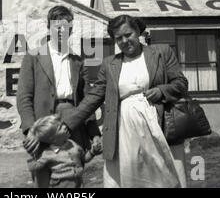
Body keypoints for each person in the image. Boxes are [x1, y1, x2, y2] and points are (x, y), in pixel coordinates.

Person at [62, 14, 189, 188]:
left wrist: (161, 91)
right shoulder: (109, 64)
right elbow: (92, 98)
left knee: (164, 179)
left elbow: (181, 83)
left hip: (159, 128)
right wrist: (68, 123)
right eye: (118, 38)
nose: (124, 41)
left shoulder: (161, 52)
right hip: (124, 132)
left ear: (138, 31)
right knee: (129, 179)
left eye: (128, 34)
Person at [17, 5, 102, 188]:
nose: (61, 31)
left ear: (71, 29)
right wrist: (31, 130)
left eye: (65, 27)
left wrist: (94, 133)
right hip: (45, 125)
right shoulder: (33, 57)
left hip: (73, 123)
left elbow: (87, 101)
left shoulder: (78, 60)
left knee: (73, 174)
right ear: (49, 27)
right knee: (44, 177)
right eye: (57, 27)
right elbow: (24, 97)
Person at [27, 114, 101, 188]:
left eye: (62, 124)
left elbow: (84, 158)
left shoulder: (72, 144)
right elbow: (34, 167)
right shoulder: (47, 153)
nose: (65, 127)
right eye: (60, 128)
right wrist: (33, 156)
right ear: (52, 138)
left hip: (78, 183)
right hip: (60, 185)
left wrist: (92, 152)